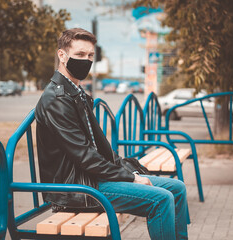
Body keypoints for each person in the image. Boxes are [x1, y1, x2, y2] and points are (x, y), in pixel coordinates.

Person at [35, 28, 188, 240]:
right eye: (80, 55)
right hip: (77, 189)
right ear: (62, 55)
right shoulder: (56, 100)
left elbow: (98, 148)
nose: (86, 61)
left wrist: (126, 170)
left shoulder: (76, 93)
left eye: (90, 56)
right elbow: (84, 156)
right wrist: (130, 178)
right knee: (161, 200)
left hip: (93, 179)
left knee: (177, 189)